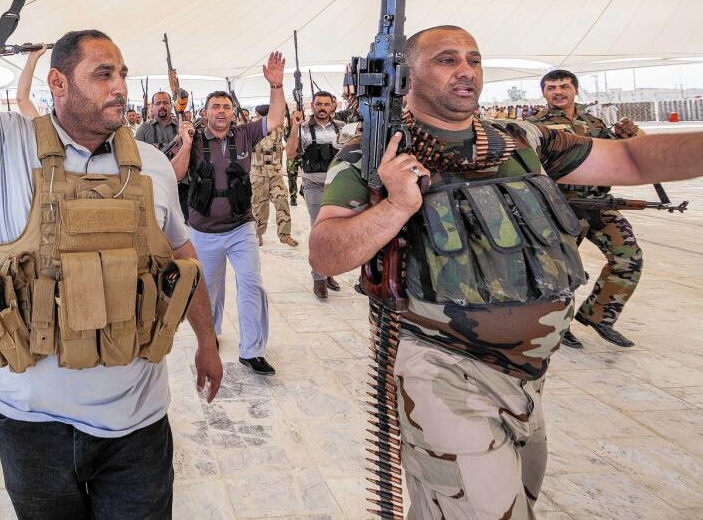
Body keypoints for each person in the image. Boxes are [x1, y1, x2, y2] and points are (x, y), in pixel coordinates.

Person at [309, 25, 703, 518]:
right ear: (405, 75)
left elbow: (628, 157)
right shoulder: (377, 154)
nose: (465, 71)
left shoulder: (521, 140)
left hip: (529, 380)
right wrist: (395, 206)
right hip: (444, 371)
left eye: (473, 59)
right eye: (446, 59)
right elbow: (325, 254)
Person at [0, 0, 223, 519]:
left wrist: (208, 341)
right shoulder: (3, 142)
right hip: (31, 425)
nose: (121, 86)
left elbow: (184, 264)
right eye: (103, 74)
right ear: (58, 82)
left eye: (122, 73)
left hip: (136, 427)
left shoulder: (155, 164)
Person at [172, 54, 286, 376]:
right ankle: (211, 335)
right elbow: (176, 174)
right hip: (203, 231)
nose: (221, 112)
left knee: (251, 284)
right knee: (209, 289)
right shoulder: (194, 139)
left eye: (226, 107)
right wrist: (184, 143)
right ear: (205, 113)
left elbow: (276, 119)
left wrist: (276, 85)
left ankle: (252, 350)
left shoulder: (245, 135)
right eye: (215, 107)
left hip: (240, 227)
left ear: (232, 112)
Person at [531, 69, 645, 348]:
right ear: (544, 93)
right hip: (560, 209)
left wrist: (635, 136)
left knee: (629, 259)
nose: (558, 91)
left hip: (599, 205)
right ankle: (559, 326)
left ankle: (599, 316)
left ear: (576, 90)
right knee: (561, 272)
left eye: (564, 86)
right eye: (551, 87)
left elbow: (624, 157)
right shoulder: (535, 126)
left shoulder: (594, 123)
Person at [285, 92, 344, 299]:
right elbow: (291, 154)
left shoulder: (341, 127)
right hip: (314, 185)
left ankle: (328, 272)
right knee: (319, 231)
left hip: (338, 186)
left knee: (335, 232)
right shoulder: (303, 128)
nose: (322, 108)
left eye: (326, 104)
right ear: (313, 106)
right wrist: (294, 125)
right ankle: (318, 278)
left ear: (332, 106)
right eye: (318, 104)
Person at [248, 104, 297, 248]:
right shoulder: (251, 130)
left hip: (275, 173)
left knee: (282, 201)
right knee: (259, 207)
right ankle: (257, 235)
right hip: (258, 175)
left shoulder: (279, 128)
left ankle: (285, 235)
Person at [16, 45, 48, 120]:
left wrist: (33, 57)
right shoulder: (45, 129)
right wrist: (33, 57)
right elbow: (22, 99)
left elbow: (22, 99)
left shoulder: (45, 129)